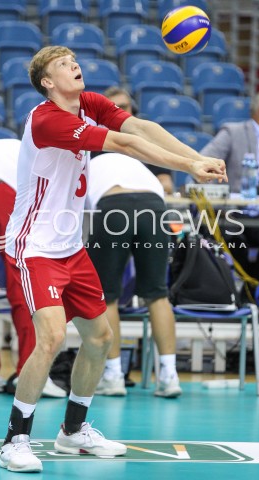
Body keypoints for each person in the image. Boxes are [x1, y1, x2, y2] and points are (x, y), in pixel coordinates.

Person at [0, 45, 227, 473]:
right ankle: (15, 439)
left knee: (100, 339)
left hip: (70, 247)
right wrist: (189, 167)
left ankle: (72, 431)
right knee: (49, 338)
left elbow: (139, 124)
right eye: (63, 65)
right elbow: (123, 142)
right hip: (36, 247)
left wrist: (196, 158)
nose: (74, 66)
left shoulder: (88, 102)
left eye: (74, 60)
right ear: (48, 82)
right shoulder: (48, 119)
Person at [0, 138, 66, 398]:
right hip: (5, 190)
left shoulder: (4, 147)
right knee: (22, 284)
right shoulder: (39, 152)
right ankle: (28, 372)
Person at [86, 152, 181, 398]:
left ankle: (113, 375)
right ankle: (170, 377)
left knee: (106, 297)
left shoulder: (85, 160)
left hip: (113, 206)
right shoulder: (137, 161)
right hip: (155, 207)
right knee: (157, 294)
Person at [200, 93, 259, 284]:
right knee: (231, 233)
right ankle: (244, 290)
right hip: (235, 213)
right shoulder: (233, 132)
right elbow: (202, 164)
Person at [103, 86, 174, 194]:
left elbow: (166, 183)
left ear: (132, 108)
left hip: (145, 200)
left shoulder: (148, 138)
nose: (119, 113)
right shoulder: (98, 139)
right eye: (113, 109)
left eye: (123, 107)